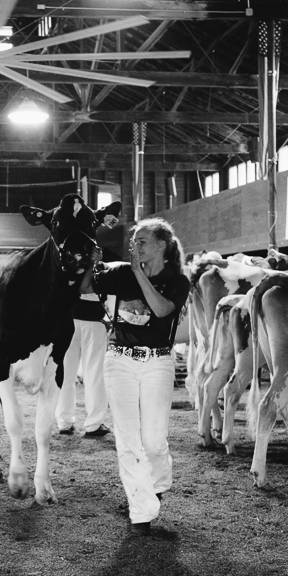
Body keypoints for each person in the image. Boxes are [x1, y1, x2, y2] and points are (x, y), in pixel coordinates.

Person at [84, 217, 190, 537]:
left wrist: (139, 274)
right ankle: (140, 512)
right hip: (120, 362)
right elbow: (87, 285)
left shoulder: (177, 280)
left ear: (161, 245)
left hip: (157, 363)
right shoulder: (121, 272)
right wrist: (92, 265)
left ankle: (156, 484)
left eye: (141, 241)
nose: (135, 246)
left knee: (154, 442)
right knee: (127, 440)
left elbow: (160, 310)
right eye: (133, 241)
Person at [55, 288, 110, 438]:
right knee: (94, 374)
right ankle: (94, 424)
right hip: (93, 320)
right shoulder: (99, 265)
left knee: (65, 374)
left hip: (68, 319)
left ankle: (64, 421)